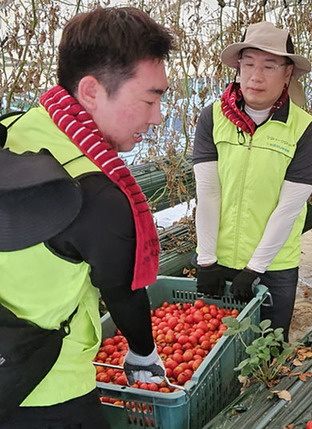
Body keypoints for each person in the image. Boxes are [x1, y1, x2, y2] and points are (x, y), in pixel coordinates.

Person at [0, 7, 174, 428]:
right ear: (92, 90)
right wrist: (143, 353)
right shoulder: (93, 191)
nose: (158, 117)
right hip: (47, 387)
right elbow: (123, 291)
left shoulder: (19, 126)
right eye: (150, 99)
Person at [192, 22, 312, 343]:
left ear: (288, 74)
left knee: (270, 349)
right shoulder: (212, 118)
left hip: (274, 265)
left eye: (268, 66)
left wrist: (255, 268)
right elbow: (207, 193)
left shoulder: (303, 129)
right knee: (215, 351)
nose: (255, 76)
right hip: (219, 260)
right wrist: (206, 259)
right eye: (248, 64)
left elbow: (288, 208)